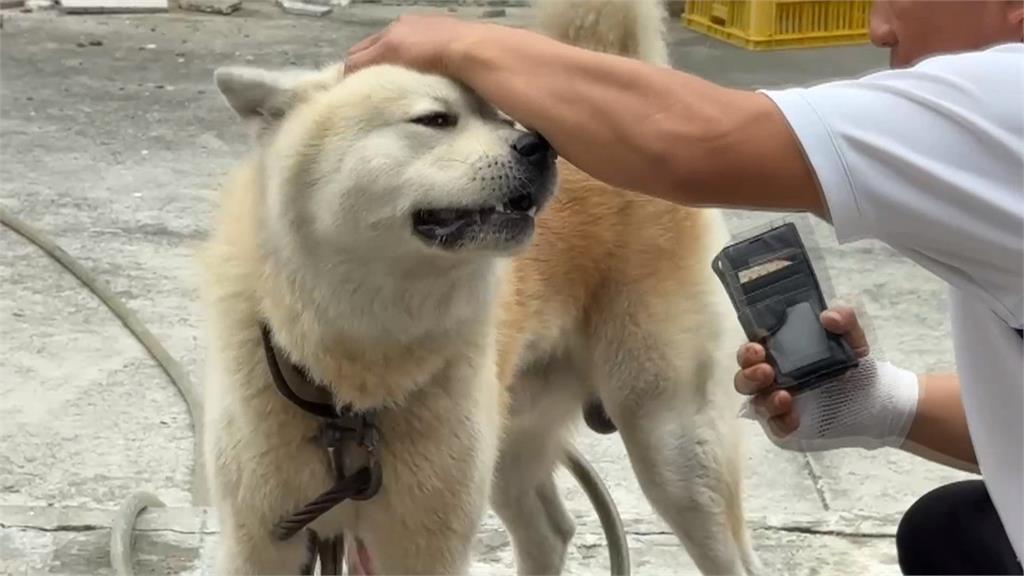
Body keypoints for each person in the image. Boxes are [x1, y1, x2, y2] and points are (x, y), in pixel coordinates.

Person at [344, 0, 1024, 573]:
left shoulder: (1006, 101)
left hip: (624, 275)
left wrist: (462, 41)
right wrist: (880, 403)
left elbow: (694, 139)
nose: (877, 25)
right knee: (951, 532)